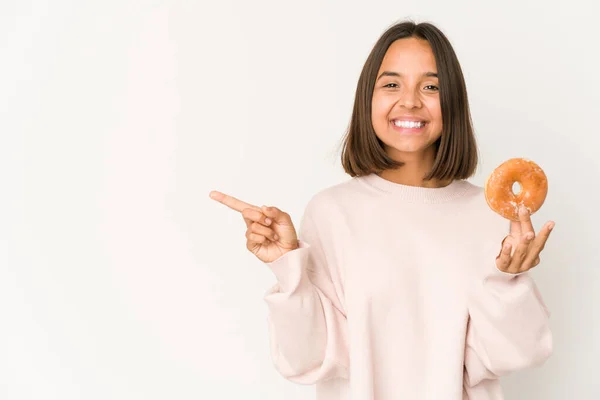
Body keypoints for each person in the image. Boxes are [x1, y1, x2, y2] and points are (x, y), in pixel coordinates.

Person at [209, 20, 554, 400]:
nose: (409, 100)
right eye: (391, 84)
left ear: (453, 100)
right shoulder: (332, 212)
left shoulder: (491, 215)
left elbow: (518, 355)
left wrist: (508, 281)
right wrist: (289, 267)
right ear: (367, 100)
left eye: (431, 86)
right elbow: (304, 360)